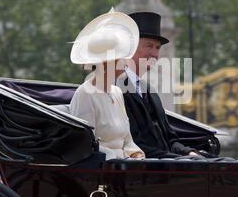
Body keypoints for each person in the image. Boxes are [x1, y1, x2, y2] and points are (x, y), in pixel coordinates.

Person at [118, 11, 205, 159]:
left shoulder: (149, 91)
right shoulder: (118, 88)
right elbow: (134, 143)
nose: (155, 53)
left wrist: (188, 152)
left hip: (168, 161)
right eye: (149, 46)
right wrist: (176, 158)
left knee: (229, 162)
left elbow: (170, 139)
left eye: (157, 48)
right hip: (148, 166)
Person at [69, 9, 145, 161]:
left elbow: (127, 140)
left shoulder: (117, 92)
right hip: (102, 169)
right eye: (122, 57)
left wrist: (136, 154)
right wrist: (118, 158)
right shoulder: (85, 94)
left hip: (123, 165)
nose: (127, 62)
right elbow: (85, 143)